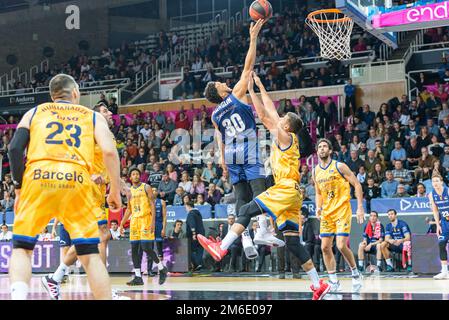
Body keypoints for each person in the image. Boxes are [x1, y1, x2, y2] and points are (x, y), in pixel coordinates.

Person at [198, 72, 330, 300]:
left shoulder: (283, 136)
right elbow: (270, 109)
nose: (278, 119)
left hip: (286, 189)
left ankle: (223, 246)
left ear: (287, 126)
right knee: (291, 242)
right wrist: (259, 84)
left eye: (282, 119)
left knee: (247, 209)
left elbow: (263, 113)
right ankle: (318, 284)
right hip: (294, 194)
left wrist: (250, 91)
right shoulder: (288, 135)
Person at [8, 74, 121, 300]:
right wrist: (115, 190)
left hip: (38, 178)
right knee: (90, 255)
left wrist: (19, 190)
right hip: (77, 181)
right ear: (76, 93)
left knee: (22, 249)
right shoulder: (92, 117)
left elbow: (13, 149)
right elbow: (110, 152)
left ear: (52, 96)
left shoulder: (35, 112)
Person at [204, 20, 281, 257]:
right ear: (219, 92)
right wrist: (254, 38)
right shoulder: (236, 94)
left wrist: (222, 160)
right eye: (220, 83)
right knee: (260, 193)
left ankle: (245, 236)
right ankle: (263, 229)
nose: (224, 82)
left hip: (231, 154)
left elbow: (220, 137)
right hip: (248, 149)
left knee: (241, 197)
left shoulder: (215, 115)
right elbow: (248, 67)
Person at [41, 102, 129, 300]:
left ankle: (54, 278)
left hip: (97, 191)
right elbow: (75, 157)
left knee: (88, 239)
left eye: (109, 110)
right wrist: (89, 176)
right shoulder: (90, 131)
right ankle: (104, 290)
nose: (110, 113)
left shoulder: (107, 134)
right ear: (96, 116)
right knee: (103, 235)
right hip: (85, 188)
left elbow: (108, 164)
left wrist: (121, 184)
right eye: (105, 111)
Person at [313, 138, 365, 293]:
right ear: (317, 151)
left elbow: (357, 184)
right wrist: (318, 207)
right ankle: (333, 281)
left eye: (324, 146)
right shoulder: (315, 171)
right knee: (325, 247)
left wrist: (360, 207)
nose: (322, 149)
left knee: (341, 245)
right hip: (327, 213)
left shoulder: (339, 166)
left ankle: (356, 274)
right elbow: (317, 192)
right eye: (319, 147)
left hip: (342, 209)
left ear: (330, 151)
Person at [119, 168, 167, 286]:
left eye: (137, 174)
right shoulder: (129, 191)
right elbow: (129, 209)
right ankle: (138, 277)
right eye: (133, 174)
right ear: (130, 177)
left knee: (146, 247)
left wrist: (153, 222)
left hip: (146, 219)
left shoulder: (146, 187)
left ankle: (161, 268)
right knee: (134, 249)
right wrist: (121, 224)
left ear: (140, 176)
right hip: (134, 221)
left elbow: (152, 205)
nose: (135, 176)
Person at [428, 174, 449, 279]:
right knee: (441, 244)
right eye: (433, 181)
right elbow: (435, 211)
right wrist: (437, 225)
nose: (435, 183)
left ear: (441, 182)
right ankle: (444, 271)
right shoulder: (431, 194)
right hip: (444, 223)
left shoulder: (448, 191)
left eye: (437, 181)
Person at [146, 188, 167, 276]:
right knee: (149, 248)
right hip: (149, 226)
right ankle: (149, 270)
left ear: (157, 192)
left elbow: (165, 217)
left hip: (158, 226)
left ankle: (160, 269)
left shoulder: (161, 202)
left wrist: (164, 229)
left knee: (159, 248)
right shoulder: (146, 202)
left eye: (155, 190)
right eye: (152, 190)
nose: (153, 191)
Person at [185, 195, 205, 271]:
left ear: (188, 206)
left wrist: (193, 234)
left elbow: (192, 224)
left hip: (194, 236)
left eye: (186, 207)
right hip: (201, 235)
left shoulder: (191, 214)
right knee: (200, 249)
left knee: (190, 250)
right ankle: (199, 264)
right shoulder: (198, 213)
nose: (185, 209)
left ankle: (196, 263)